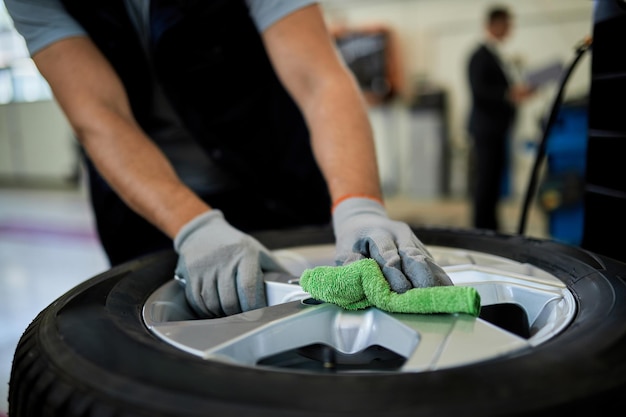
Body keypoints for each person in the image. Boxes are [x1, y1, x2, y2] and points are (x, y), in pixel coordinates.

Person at [5, 0, 452, 318]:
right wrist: (194, 227)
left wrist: (359, 205)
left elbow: (320, 79)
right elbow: (100, 116)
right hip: (150, 204)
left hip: (277, 178)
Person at [467, 5, 534, 231]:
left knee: (495, 181)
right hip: (486, 130)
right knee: (486, 181)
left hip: (498, 129)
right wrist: (509, 93)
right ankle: (482, 228)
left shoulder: (497, 56)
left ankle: (491, 226)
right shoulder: (479, 56)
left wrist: (516, 93)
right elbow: (480, 91)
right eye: (506, 23)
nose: (509, 28)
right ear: (494, 24)